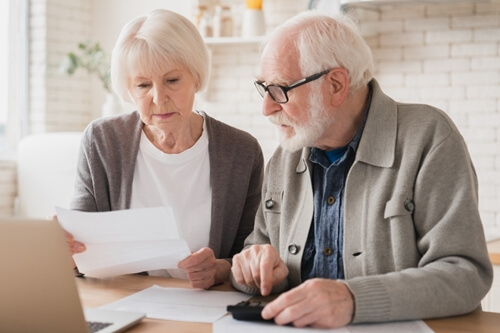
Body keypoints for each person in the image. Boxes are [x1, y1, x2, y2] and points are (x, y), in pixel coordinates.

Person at [230, 10, 493, 328]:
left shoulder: (429, 137)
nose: (267, 108)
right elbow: (257, 250)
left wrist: (353, 299)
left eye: (280, 90)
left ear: (336, 84)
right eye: (264, 88)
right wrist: (253, 268)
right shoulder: (285, 156)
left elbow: (466, 274)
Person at [64, 9, 264, 290]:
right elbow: (79, 251)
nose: (159, 98)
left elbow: (252, 252)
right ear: (129, 90)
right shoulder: (101, 142)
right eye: (143, 85)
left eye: (172, 81)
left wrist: (219, 269)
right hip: (123, 302)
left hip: (205, 304)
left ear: (195, 76)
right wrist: (64, 246)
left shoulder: (242, 151)